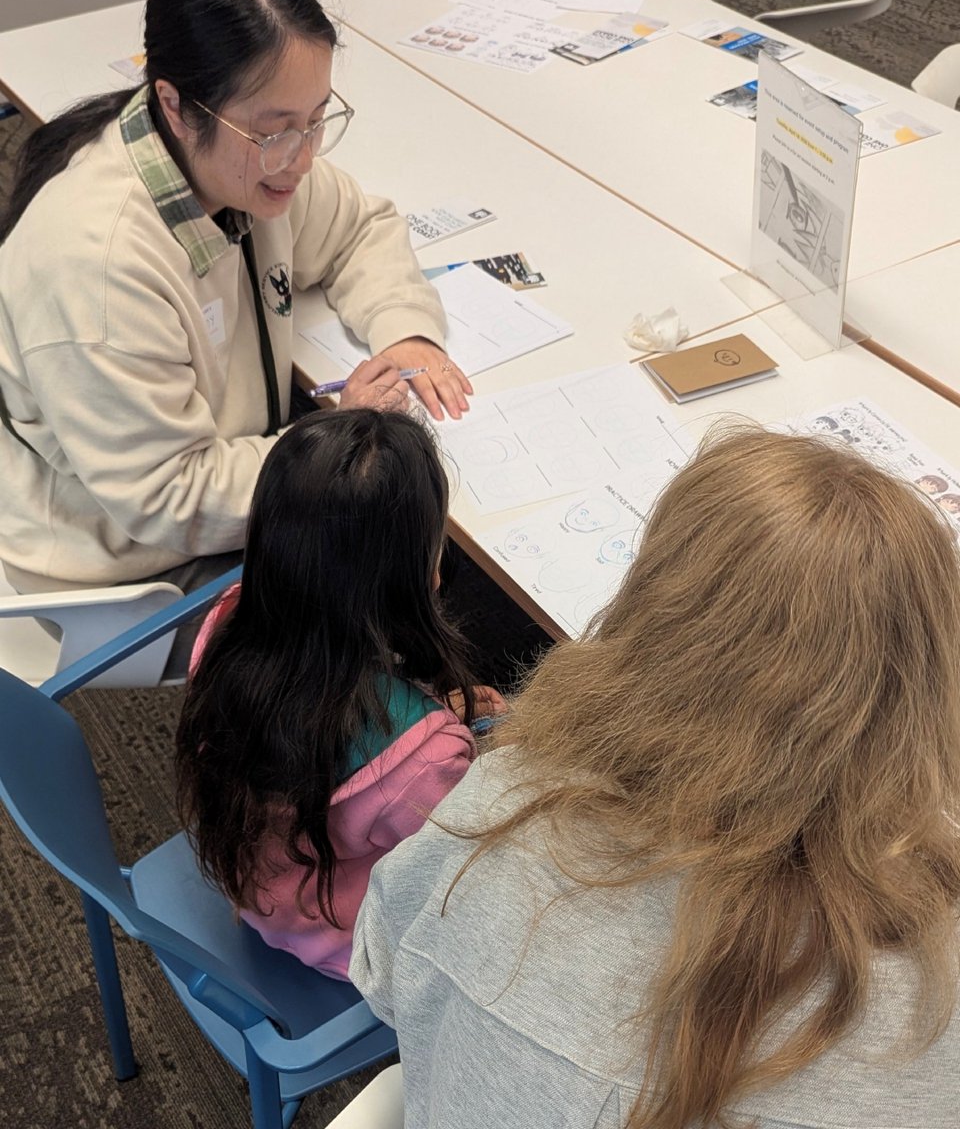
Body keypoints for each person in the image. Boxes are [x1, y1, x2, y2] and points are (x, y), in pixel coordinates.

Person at [351, 426, 960, 1128]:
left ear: (652, 607)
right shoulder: (928, 992)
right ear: (911, 688)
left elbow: (385, 979)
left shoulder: (495, 806)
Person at [0, 0, 472, 598]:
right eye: (277, 129)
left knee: (419, 546)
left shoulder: (238, 163)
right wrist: (332, 451)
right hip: (129, 560)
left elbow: (359, 227)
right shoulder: (96, 265)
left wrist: (406, 331)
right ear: (176, 107)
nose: (304, 158)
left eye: (316, 119)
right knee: (410, 579)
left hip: (238, 465)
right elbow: (170, 495)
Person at [175, 407, 504, 978]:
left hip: (259, 884)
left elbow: (352, 748)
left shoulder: (226, 623)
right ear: (420, 575)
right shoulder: (425, 764)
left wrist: (423, 723)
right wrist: (467, 752)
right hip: (348, 945)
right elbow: (470, 874)